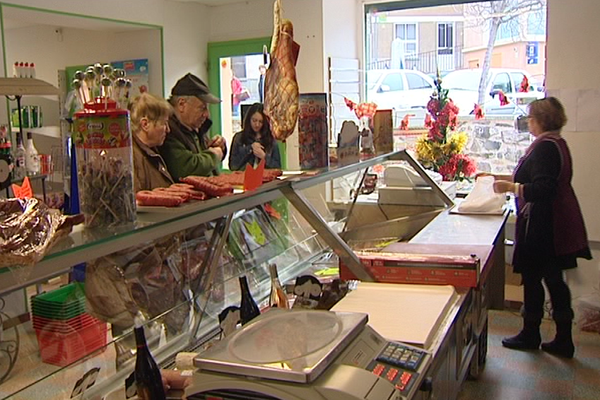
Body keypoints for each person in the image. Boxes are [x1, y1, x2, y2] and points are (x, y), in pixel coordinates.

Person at [492, 97, 591, 359]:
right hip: (551, 223)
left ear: (540, 120)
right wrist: (508, 181)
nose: (529, 123)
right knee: (553, 281)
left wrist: (511, 188)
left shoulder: (545, 147)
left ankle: (533, 333)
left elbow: (544, 188)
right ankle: (559, 338)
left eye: (531, 118)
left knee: (538, 280)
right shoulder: (557, 143)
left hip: (544, 226)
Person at [159, 73, 227, 180]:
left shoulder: (193, 127)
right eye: (202, 108)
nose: (207, 114)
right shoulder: (167, 131)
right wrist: (215, 154)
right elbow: (186, 168)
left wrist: (217, 146)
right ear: (182, 104)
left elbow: (203, 158)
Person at [129, 93, 174, 192]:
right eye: (164, 123)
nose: (168, 130)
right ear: (145, 124)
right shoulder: (133, 159)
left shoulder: (151, 151)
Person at [229, 102, 281, 171]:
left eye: (260, 122)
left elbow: (277, 167)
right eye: (254, 120)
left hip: (266, 179)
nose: (257, 124)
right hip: (243, 179)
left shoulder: (271, 140)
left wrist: (264, 157)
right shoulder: (239, 138)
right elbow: (233, 165)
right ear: (249, 119)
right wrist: (249, 149)